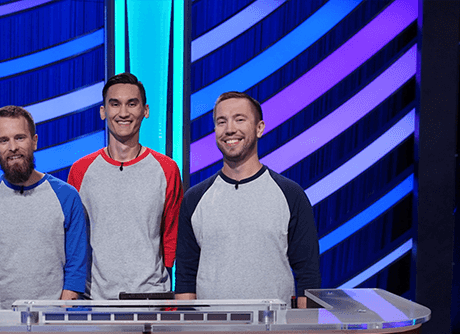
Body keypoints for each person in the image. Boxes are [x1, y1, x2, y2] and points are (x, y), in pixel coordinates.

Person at [175, 91, 321, 305]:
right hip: (210, 333)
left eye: (240, 119)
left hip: (274, 332)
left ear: (259, 128)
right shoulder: (195, 199)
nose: (230, 129)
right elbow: (186, 277)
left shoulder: (291, 195)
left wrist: (305, 333)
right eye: (221, 121)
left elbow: (308, 276)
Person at [68, 72, 182, 299]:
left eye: (132, 104)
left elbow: (171, 235)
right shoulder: (81, 170)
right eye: (115, 104)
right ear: (103, 112)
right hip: (96, 303)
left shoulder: (166, 169)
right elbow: (73, 239)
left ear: (145, 111)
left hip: (152, 300)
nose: (123, 113)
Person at [0, 105, 87, 306]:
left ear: (34, 141)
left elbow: (76, 268)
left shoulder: (67, 196)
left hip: (54, 322)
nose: (13, 147)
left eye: (20, 137)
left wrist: (59, 316)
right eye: (4, 140)